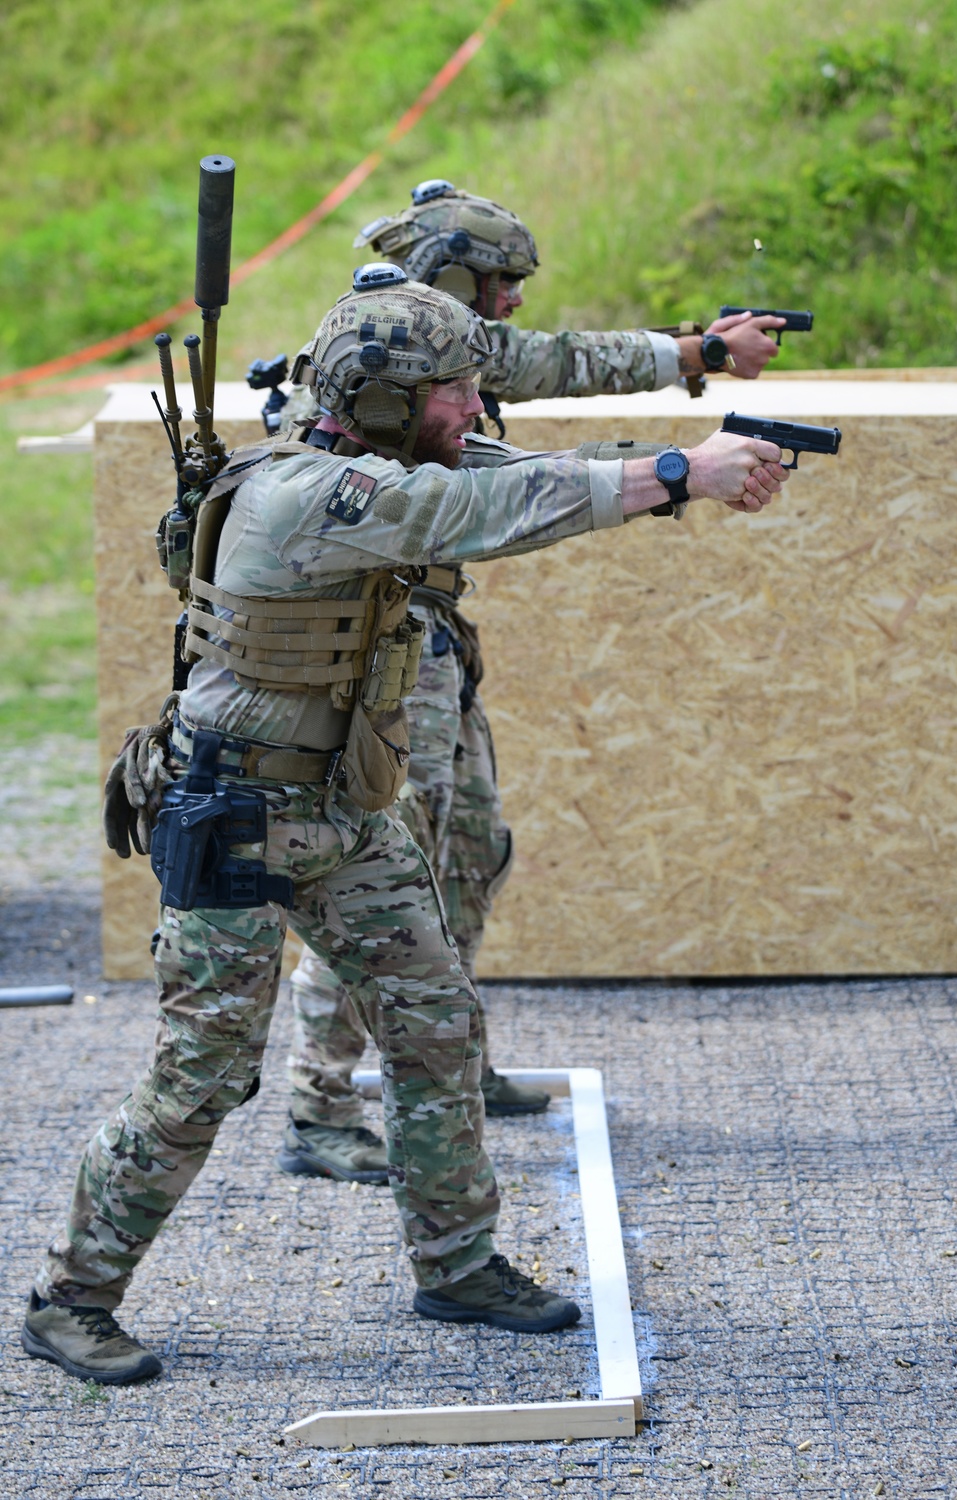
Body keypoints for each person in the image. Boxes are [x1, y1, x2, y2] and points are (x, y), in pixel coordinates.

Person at [22, 269, 789, 1385]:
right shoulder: (311, 496)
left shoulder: (386, 457)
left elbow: (520, 473)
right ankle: (71, 1297)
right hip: (236, 812)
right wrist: (681, 474)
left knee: (435, 1028)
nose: (473, 409)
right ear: (382, 402)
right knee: (201, 1081)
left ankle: (455, 1261)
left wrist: (686, 457)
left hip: (340, 807)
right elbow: (481, 509)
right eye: (454, 391)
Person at [277, 182, 787, 1185]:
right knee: (379, 875)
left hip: (426, 637)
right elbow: (506, 475)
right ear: (457, 279)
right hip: (366, 646)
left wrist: (684, 416)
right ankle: (317, 1100)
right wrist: (680, 446)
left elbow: (535, 413)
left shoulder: (439, 353)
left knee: (469, 847)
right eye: (501, 283)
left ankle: (446, 1060)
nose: (510, 305)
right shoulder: (382, 360)